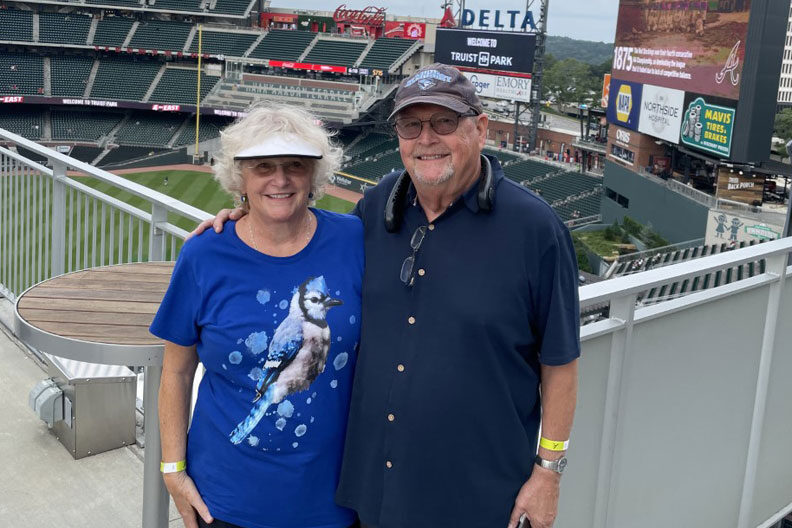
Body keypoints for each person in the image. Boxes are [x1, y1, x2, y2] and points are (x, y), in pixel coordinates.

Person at [193, 63, 580, 528]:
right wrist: (245, 214)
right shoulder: (375, 208)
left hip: (477, 495)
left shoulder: (535, 229)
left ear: (480, 128)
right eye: (410, 125)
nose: (426, 138)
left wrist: (549, 470)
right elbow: (305, 237)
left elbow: (560, 362)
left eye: (444, 122)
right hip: (372, 492)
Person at [150, 103, 364, 528]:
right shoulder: (204, 254)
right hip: (225, 500)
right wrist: (172, 470)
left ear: (314, 175)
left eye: (295, 165)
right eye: (263, 166)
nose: (280, 180)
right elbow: (175, 371)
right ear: (240, 178)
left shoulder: (355, 239)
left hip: (333, 501)